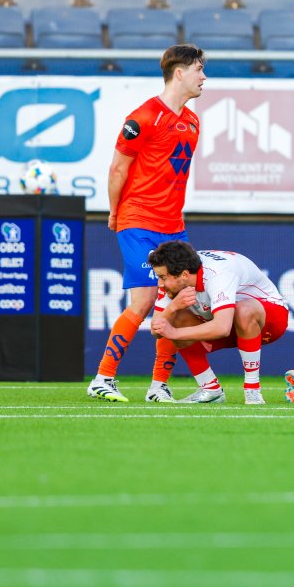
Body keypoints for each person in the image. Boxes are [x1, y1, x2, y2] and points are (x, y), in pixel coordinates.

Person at [86, 45, 206, 404]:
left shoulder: (193, 122)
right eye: (199, 70)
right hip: (138, 219)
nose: (204, 77)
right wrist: (113, 211)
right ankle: (103, 378)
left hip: (173, 224)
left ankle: (158, 386)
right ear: (179, 73)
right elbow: (117, 168)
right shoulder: (143, 117)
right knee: (143, 300)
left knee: (182, 301)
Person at [150, 241, 290, 405]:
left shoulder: (218, 274)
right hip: (223, 319)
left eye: (162, 278)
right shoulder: (175, 275)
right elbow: (157, 330)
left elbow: (221, 328)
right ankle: (210, 389)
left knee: (243, 310)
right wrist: (172, 307)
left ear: (184, 275)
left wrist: (173, 333)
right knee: (177, 317)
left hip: (269, 320)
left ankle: (253, 390)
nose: (159, 283)